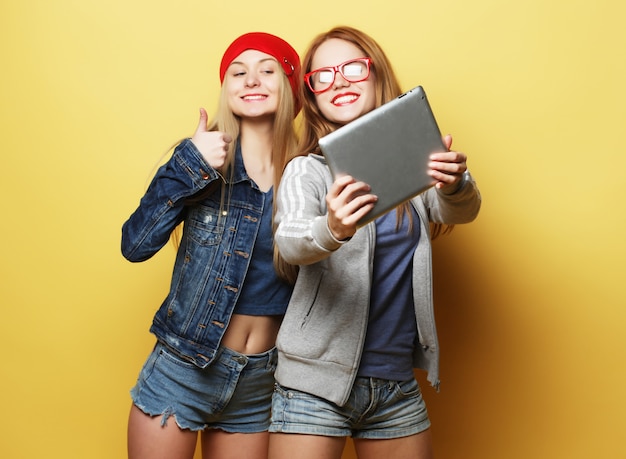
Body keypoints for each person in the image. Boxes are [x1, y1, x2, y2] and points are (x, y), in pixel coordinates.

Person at [268, 26, 481, 459]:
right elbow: (290, 241)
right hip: (312, 387)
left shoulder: (413, 155)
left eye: (351, 67)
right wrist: (331, 228)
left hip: (396, 387)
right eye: (322, 75)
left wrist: (453, 183)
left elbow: (459, 210)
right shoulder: (307, 171)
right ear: (310, 95)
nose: (339, 81)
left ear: (375, 73)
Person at [121, 32, 301, 459]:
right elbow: (136, 245)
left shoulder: (308, 175)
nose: (251, 80)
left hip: (261, 380)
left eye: (267, 70)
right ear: (226, 89)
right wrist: (190, 164)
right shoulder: (198, 164)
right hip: (182, 369)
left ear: (289, 85)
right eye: (238, 72)